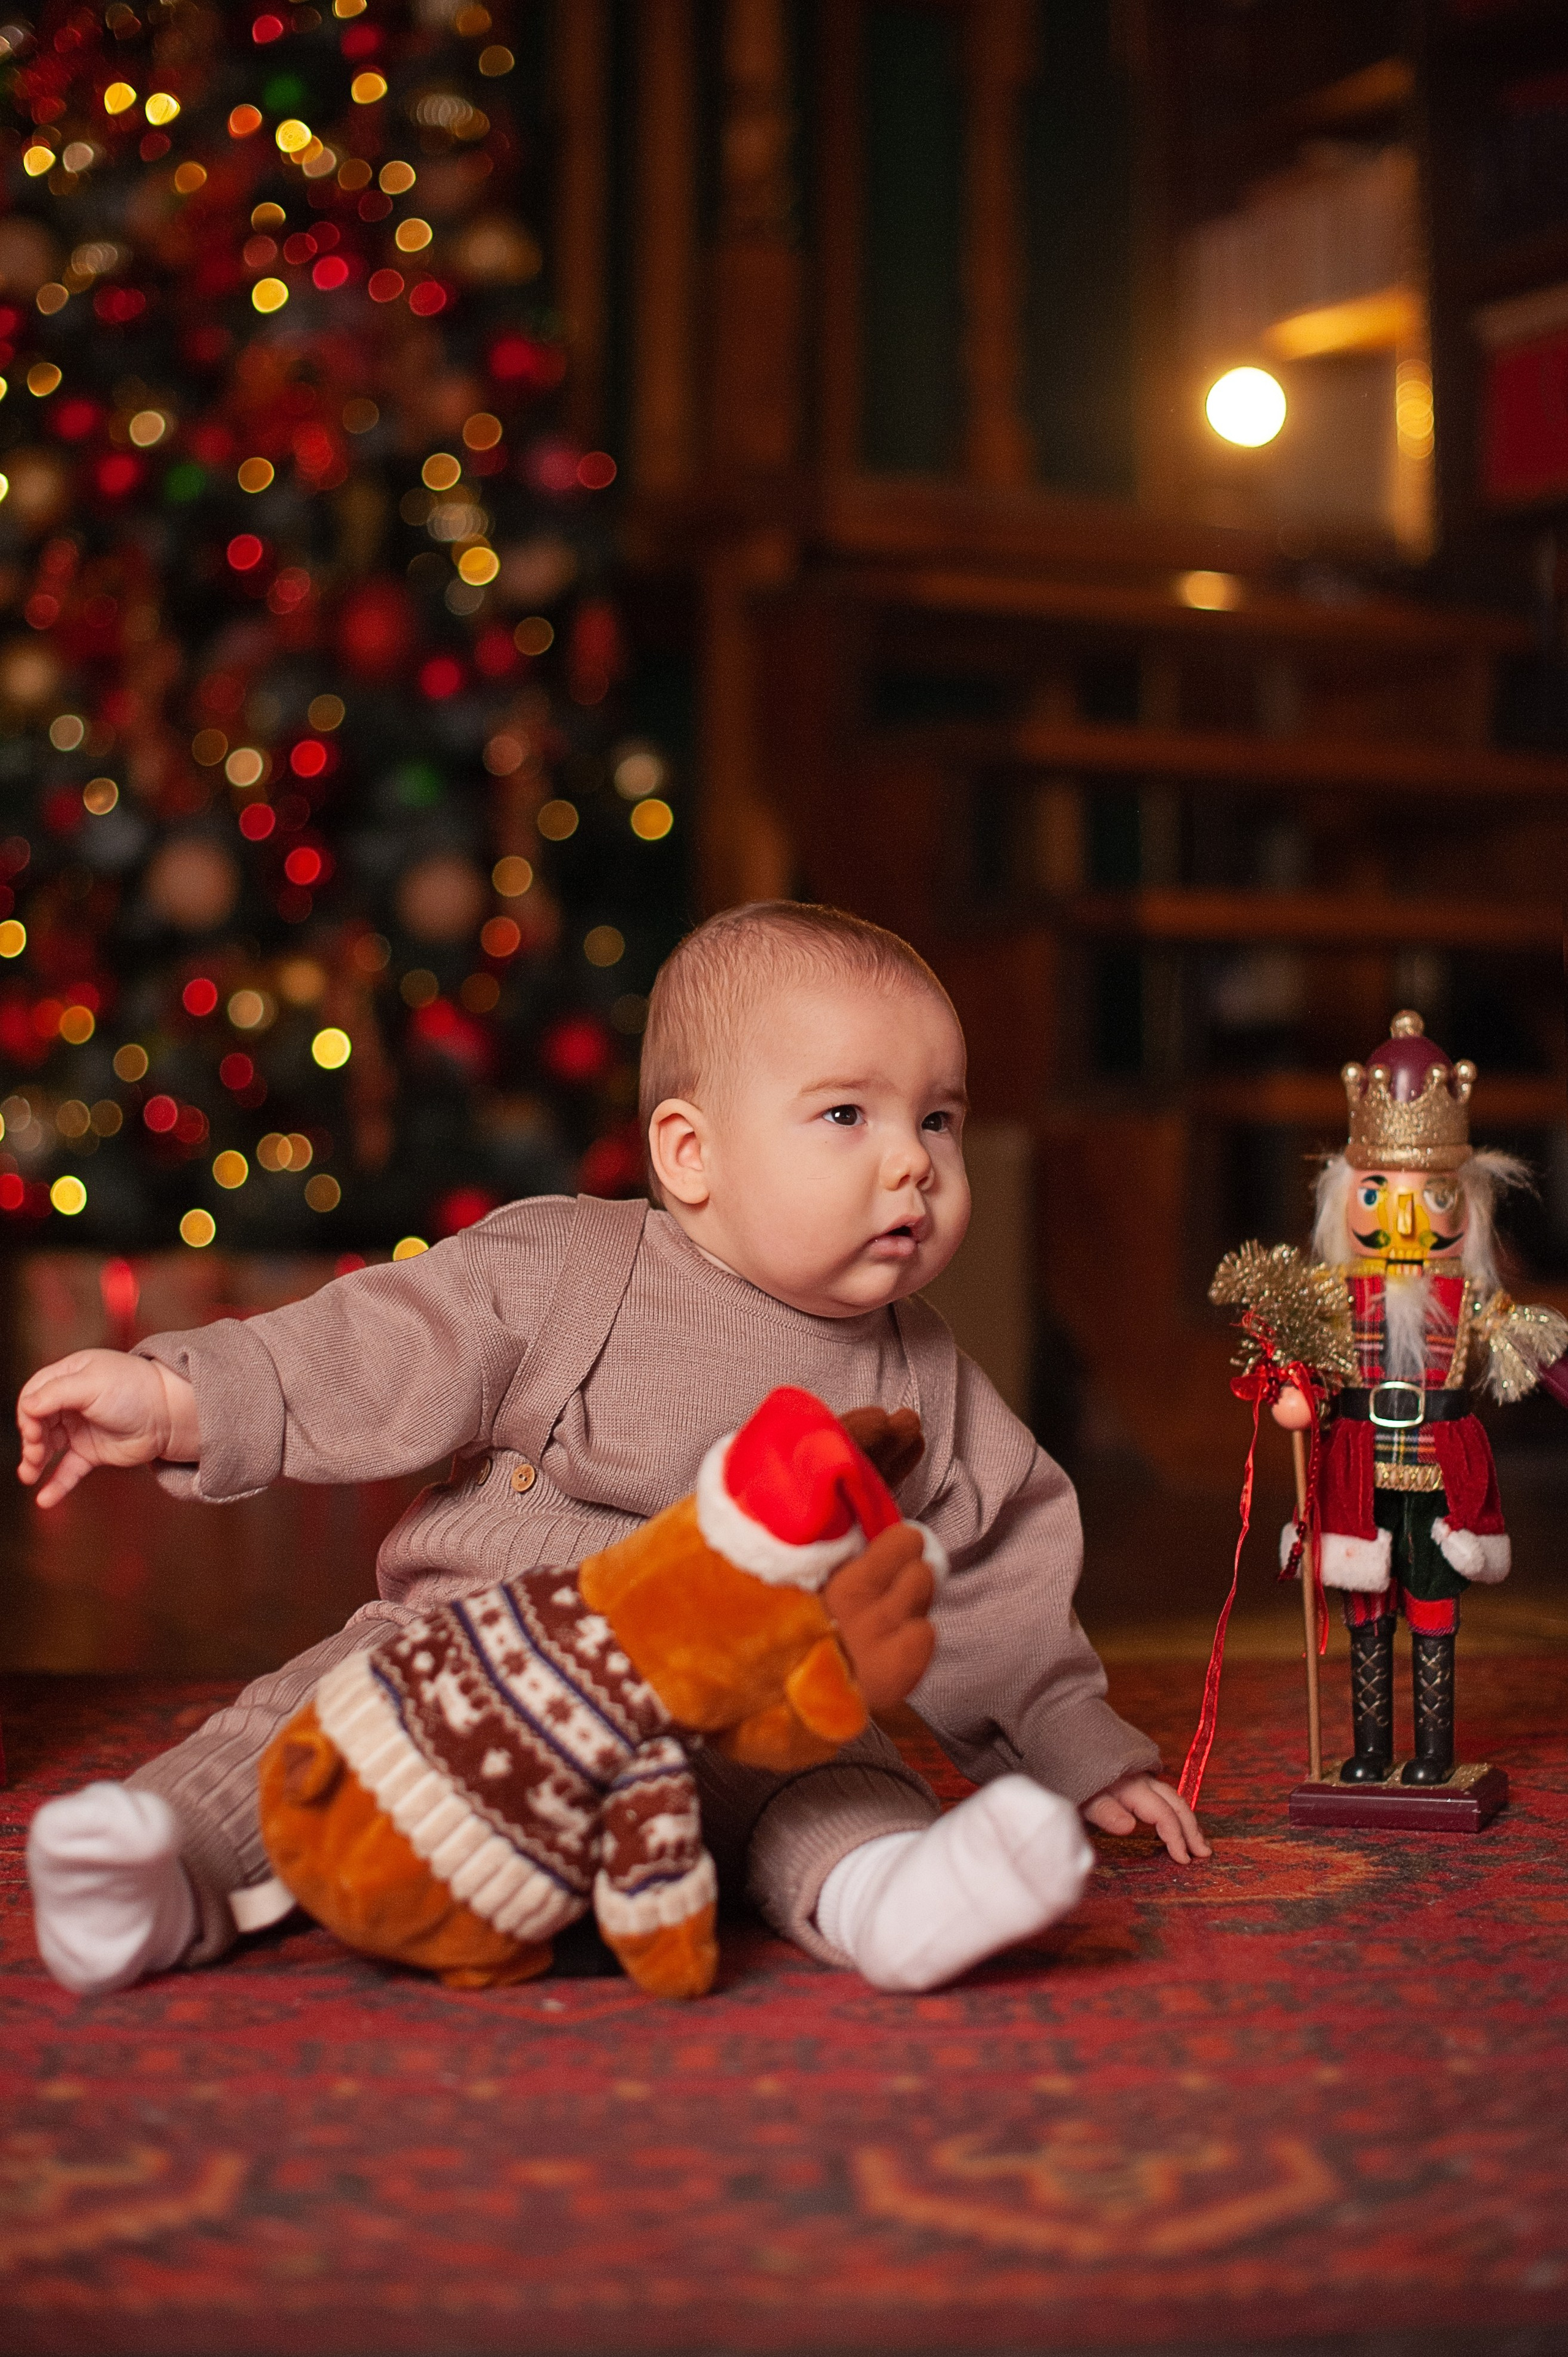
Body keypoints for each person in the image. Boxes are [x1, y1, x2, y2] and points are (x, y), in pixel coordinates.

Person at [21, 902, 1207, 2000]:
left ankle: (886, 1895)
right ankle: (156, 1867)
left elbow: (993, 1578)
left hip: (739, 1703)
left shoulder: (923, 1373)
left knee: (835, 1767)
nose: (913, 1161)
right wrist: (184, 1399)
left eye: (936, 1118)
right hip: (478, 1651)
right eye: (849, 1114)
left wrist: (1073, 1750)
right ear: (689, 1153)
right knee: (302, 1723)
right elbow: (381, 1343)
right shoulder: (571, 1266)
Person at [1270, 1010, 1568, 1785]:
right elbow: (1290, 1372)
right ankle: (1370, 1748)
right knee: (1366, 1608)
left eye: (1429, 1193)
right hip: (1356, 1468)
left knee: (1432, 1606)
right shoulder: (1330, 1296)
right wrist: (1292, 1396)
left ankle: (1433, 1751)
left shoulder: (1473, 1301)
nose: (1402, 1214)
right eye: (1378, 1191)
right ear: (1346, 1197)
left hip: (1440, 1471)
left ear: (1464, 1202)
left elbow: (1542, 1357)